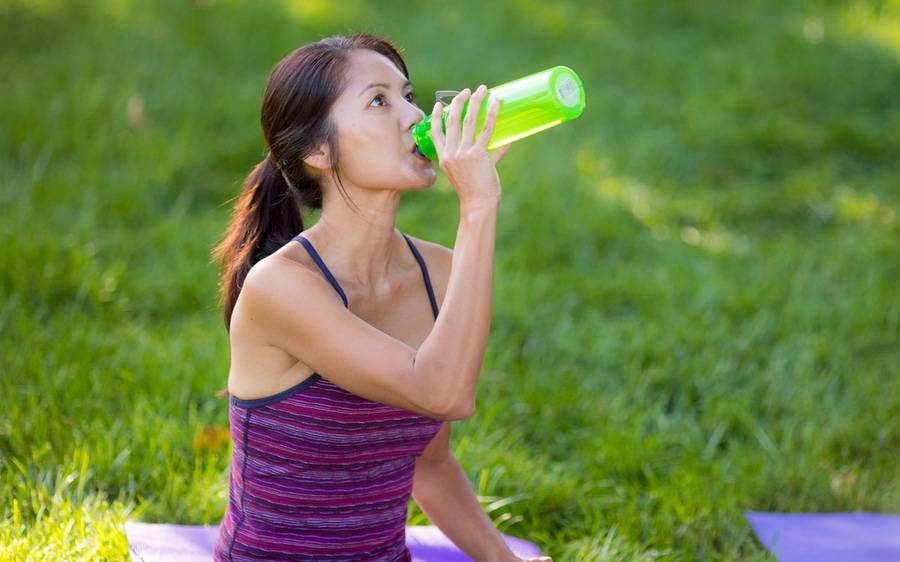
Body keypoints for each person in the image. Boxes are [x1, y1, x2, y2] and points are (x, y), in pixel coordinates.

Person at [211, 32, 551, 562]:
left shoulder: (438, 271)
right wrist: (480, 204)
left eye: (409, 96)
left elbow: (430, 464)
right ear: (319, 150)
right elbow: (443, 394)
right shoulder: (281, 287)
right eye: (379, 101)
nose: (414, 117)